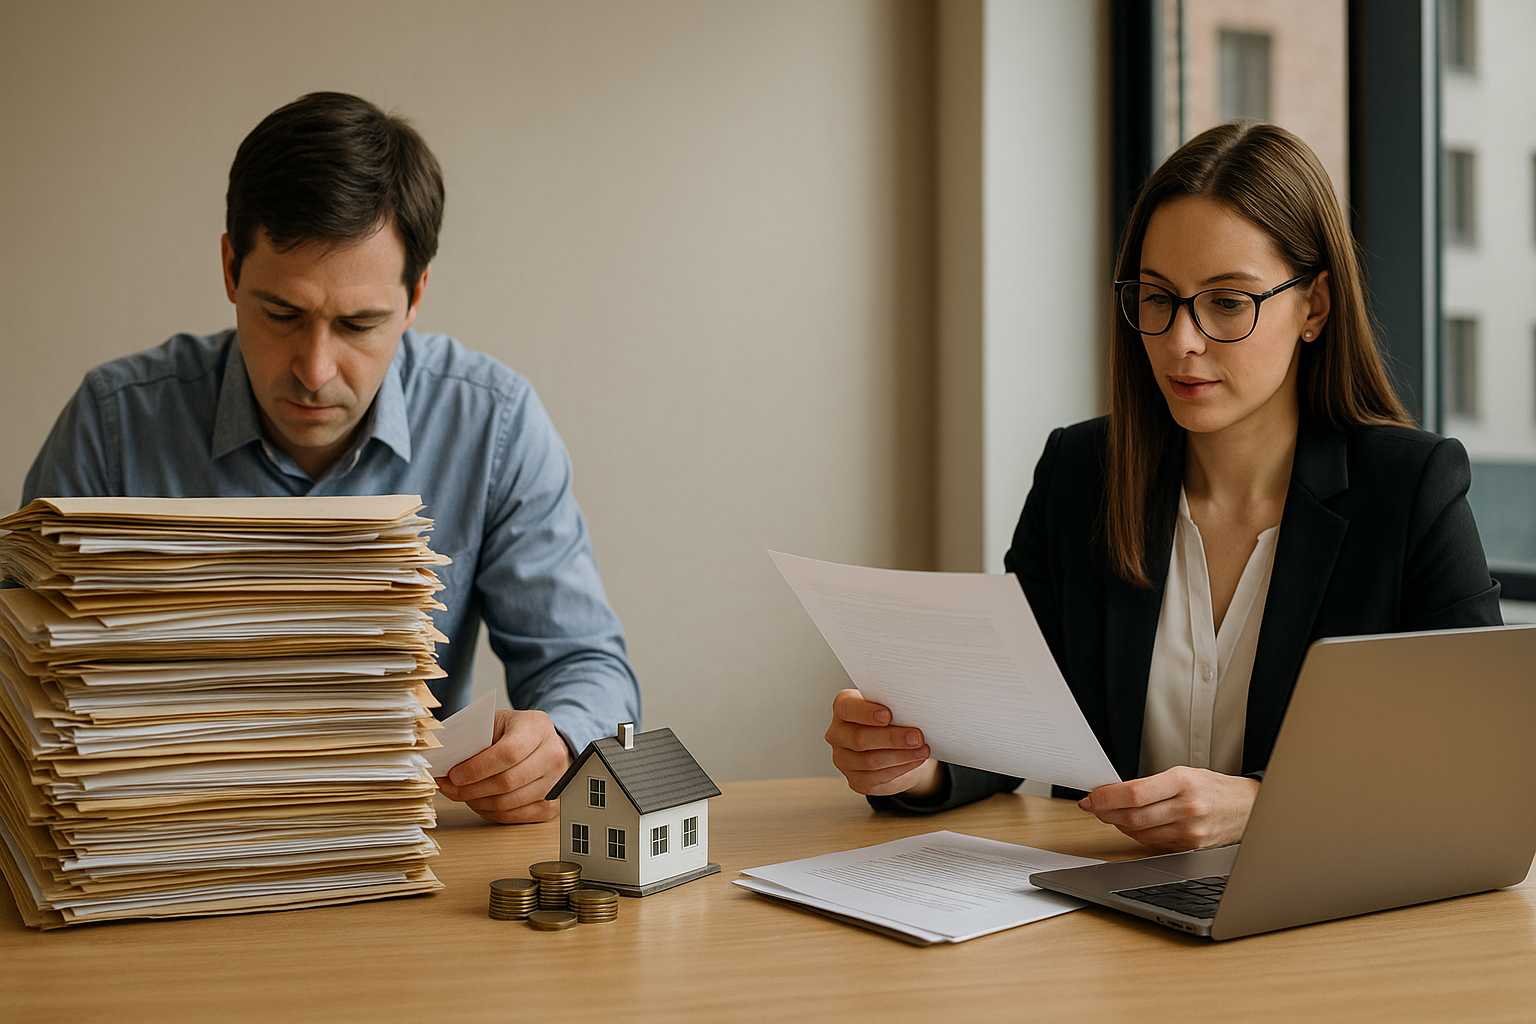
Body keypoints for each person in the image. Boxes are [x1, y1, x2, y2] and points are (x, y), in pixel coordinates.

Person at [825, 121, 1501, 851]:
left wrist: (1266, 805)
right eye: (1156, 297)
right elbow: (1014, 721)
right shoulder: (1080, 473)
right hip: (1104, 926)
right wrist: (911, 766)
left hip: (1314, 934)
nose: (1181, 340)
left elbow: (1486, 765)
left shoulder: (1410, 491)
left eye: (1228, 302)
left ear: (1315, 306)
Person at [21, 92, 640, 825]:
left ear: (416, 298)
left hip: (396, 856)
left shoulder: (492, 425)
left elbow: (586, 668)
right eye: (281, 314)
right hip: (157, 851)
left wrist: (558, 741)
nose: (314, 370)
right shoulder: (114, 423)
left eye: (359, 323)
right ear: (229, 269)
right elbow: (20, 672)